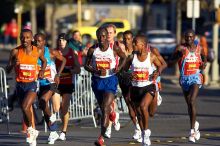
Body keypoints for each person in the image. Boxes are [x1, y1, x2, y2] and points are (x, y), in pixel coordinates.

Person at [84, 26, 126, 146]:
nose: (101, 38)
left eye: (103, 36)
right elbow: (86, 65)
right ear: (96, 37)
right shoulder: (93, 50)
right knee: (104, 110)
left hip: (110, 80)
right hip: (97, 82)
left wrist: (119, 68)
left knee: (105, 106)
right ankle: (112, 114)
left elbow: (124, 57)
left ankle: (101, 138)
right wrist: (95, 71)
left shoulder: (114, 48)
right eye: (99, 36)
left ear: (107, 36)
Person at [6, 28, 47, 146]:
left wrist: (42, 71)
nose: (25, 39)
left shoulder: (37, 51)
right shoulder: (15, 51)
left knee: (25, 106)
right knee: (25, 112)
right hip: (20, 85)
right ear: (20, 38)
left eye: (27, 37)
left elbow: (44, 62)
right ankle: (32, 135)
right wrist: (14, 64)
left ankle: (30, 130)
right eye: (22, 37)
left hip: (32, 84)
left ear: (31, 38)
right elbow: (8, 69)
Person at [124, 34, 162, 146]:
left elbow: (161, 65)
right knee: (139, 114)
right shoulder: (132, 57)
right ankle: (145, 134)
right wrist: (129, 75)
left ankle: (145, 131)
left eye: (135, 43)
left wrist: (157, 72)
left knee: (144, 107)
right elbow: (124, 70)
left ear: (142, 45)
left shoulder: (151, 56)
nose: (133, 44)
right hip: (135, 88)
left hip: (148, 86)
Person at [169, 29, 206, 143]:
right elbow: (170, 63)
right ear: (184, 38)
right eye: (186, 37)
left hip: (195, 77)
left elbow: (204, 60)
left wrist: (203, 64)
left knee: (191, 100)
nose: (188, 39)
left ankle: (192, 132)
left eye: (190, 37)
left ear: (194, 37)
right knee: (189, 106)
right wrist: (178, 56)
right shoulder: (180, 48)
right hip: (184, 79)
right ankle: (195, 125)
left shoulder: (199, 49)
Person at [34, 33, 66, 144]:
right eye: (35, 41)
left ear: (44, 42)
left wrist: (58, 75)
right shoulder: (33, 53)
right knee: (43, 106)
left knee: (44, 101)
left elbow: (64, 60)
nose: (37, 43)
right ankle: (53, 132)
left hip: (52, 82)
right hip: (40, 84)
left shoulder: (51, 52)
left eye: (39, 41)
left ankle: (52, 118)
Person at [55, 33, 81, 141]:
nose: (61, 42)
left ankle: (63, 131)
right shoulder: (54, 52)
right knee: (56, 107)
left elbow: (78, 69)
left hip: (68, 83)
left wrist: (70, 70)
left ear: (67, 42)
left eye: (63, 40)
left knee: (64, 108)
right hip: (56, 83)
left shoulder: (71, 53)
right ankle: (54, 129)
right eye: (60, 40)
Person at [104, 24, 122, 138]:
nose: (109, 35)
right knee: (105, 105)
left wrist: (119, 68)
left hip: (114, 77)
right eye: (107, 32)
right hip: (101, 78)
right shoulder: (101, 45)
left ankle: (108, 128)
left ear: (114, 33)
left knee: (109, 103)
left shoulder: (118, 46)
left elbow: (125, 58)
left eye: (111, 32)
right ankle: (114, 117)